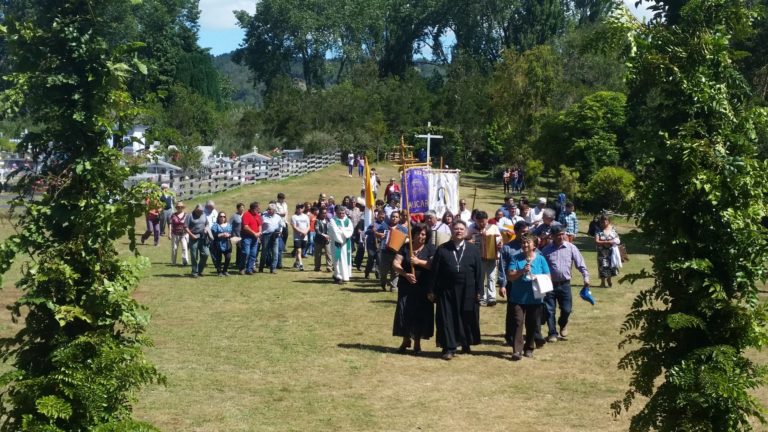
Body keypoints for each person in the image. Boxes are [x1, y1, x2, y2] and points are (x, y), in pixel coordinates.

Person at [430, 220, 483, 360]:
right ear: (451, 231)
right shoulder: (442, 249)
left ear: (465, 231)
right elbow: (435, 272)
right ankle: (449, 348)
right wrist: (432, 290)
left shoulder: (473, 250)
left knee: (466, 317)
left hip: (468, 290)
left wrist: (480, 290)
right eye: (456, 229)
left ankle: (465, 343)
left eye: (461, 229)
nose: (458, 231)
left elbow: (479, 272)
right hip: (447, 290)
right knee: (447, 318)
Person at [501, 233, 549, 360]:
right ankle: (517, 350)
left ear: (534, 245)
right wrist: (522, 271)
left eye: (528, 243)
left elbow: (548, 276)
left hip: (535, 297)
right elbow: (510, 276)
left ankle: (529, 348)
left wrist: (536, 278)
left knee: (532, 323)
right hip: (517, 297)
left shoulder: (540, 259)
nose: (525, 245)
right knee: (518, 322)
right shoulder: (515, 258)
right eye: (523, 243)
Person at [540, 225, 590, 342]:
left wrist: (586, 277)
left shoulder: (571, 248)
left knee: (567, 309)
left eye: (563, 234)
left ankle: (563, 324)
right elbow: (541, 266)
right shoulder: (546, 250)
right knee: (549, 309)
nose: (561, 237)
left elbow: (580, 264)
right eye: (558, 235)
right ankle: (552, 333)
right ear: (552, 236)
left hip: (565, 284)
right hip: (549, 284)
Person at [392, 223, 436, 354]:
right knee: (405, 312)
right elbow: (395, 263)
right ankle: (406, 340)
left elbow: (433, 265)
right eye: (418, 233)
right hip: (406, 286)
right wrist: (405, 274)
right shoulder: (405, 247)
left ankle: (417, 342)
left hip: (423, 287)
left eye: (423, 234)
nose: (420, 236)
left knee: (420, 314)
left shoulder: (430, 249)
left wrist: (418, 262)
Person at [466, 211, 502, 307]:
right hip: (478, 257)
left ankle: (491, 298)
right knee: (480, 278)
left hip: (492, 256)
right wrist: (470, 241)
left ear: (487, 219)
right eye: (479, 222)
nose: (481, 223)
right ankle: (481, 297)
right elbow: (466, 238)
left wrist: (499, 243)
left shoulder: (493, 227)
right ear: (476, 221)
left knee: (491, 277)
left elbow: (499, 239)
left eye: (483, 221)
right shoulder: (472, 228)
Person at [379, 210, 408, 292]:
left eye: (396, 217)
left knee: (395, 271)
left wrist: (404, 240)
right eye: (393, 216)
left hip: (397, 253)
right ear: (390, 217)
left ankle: (393, 286)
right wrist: (379, 235)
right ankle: (383, 282)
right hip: (385, 251)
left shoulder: (403, 229)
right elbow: (377, 234)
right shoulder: (384, 226)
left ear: (399, 218)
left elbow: (408, 238)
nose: (394, 218)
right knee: (383, 270)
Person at [329, 205, 355, 283]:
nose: (341, 215)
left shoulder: (348, 220)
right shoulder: (333, 220)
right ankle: (338, 276)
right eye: (339, 213)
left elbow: (350, 230)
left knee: (346, 259)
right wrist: (344, 232)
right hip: (337, 243)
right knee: (337, 260)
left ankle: (346, 276)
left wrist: (342, 230)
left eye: (343, 213)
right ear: (336, 213)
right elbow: (334, 231)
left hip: (346, 243)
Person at [595, 214, 621, 287]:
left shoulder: (613, 229)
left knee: (611, 266)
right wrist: (607, 242)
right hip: (601, 252)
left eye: (605, 221)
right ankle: (602, 282)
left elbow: (618, 239)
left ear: (608, 221)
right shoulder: (598, 229)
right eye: (602, 222)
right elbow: (597, 241)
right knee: (602, 266)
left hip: (612, 251)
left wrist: (613, 241)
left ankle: (609, 279)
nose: (603, 223)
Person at [259, 203, 285, 274]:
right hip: (266, 235)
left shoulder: (278, 217)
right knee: (264, 252)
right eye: (268, 209)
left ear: (274, 210)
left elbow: (281, 225)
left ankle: (273, 268)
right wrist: (260, 234)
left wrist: (280, 232)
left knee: (275, 252)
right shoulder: (264, 216)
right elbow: (260, 226)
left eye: (270, 209)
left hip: (275, 236)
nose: (268, 210)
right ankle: (261, 267)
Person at [185, 204, 210, 278]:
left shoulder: (204, 215)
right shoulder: (190, 216)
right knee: (194, 256)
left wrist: (206, 229)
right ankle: (194, 272)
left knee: (206, 254)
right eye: (199, 211)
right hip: (193, 238)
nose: (200, 213)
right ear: (195, 210)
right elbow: (185, 227)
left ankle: (200, 270)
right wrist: (191, 235)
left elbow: (207, 224)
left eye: (201, 211)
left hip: (203, 237)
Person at [239, 202, 262, 275]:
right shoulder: (246, 215)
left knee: (253, 254)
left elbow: (260, 225)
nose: (258, 209)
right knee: (246, 252)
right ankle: (242, 268)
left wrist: (259, 232)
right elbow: (245, 226)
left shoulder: (258, 215)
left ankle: (249, 269)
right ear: (253, 208)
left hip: (255, 238)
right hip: (247, 237)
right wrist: (254, 233)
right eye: (257, 208)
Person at [364, 209, 387, 279]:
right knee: (371, 259)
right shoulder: (373, 224)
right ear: (377, 216)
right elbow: (366, 232)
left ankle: (378, 273)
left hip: (380, 244)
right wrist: (372, 230)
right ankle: (367, 272)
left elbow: (386, 233)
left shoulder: (385, 225)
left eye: (383, 217)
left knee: (379, 260)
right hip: (371, 244)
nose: (382, 219)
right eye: (380, 217)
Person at [168, 202, 189, 266]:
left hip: (184, 234)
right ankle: (173, 262)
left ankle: (185, 262)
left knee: (184, 248)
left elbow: (189, 224)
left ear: (183, 208)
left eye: (181, 207)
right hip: (175, 234)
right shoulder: (173, 215)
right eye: (178, 207)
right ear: (176, 208)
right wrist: (169, 233)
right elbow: (170, 224)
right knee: (174, 248)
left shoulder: (186, 215)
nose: (179, 208)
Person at [291, 203, 310, 271]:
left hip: (304, 236)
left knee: (300, 251)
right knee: (298, 250)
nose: (300, 209)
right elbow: (294, 227)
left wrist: (305, 232)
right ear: (296, 209)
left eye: (301, 208)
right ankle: (301, 264)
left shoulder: (306, 216)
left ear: (303, 208)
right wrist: (302, 232)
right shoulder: (294, 217)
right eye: (298, 208)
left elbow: (308, 226)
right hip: (297, 236)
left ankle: (296, 262)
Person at [313, 207, 332, 272]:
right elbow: (317, 231)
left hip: (327, 241)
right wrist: (324, 235)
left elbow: (330, 229)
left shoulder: (328, 221)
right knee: (318, 255)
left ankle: (329, 267)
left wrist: (329, 236)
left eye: (325, 213)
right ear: (320, 213)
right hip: (318, 240)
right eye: (323, 213)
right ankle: (317, 267)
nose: (324, 214)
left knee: (328, 254)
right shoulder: (317, 221)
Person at [275, 192, 289, 269]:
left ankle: (283, 245)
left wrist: (286, 220)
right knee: (280, 234)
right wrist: (280, 214)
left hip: (284, 221)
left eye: (283, 198)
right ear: (279, 198)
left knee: (286, 233)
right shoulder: (276, 205)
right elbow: (275, 212)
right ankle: (281, 246)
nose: (283, 200)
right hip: (278, 221)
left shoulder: (285, 204)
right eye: (282, 198)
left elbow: (286, 212)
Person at [230, 203, 245, 271]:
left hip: (244, 235)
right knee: (239, 248)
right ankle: (238, 263)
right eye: (241, 207)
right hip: (236, 235)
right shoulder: (234, 216)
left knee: (243, 249)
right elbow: (229, 224)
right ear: (238, 208)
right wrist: (231, 234)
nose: (242, 209)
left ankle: (241, 262)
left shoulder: (245, 215)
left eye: (243, 207)